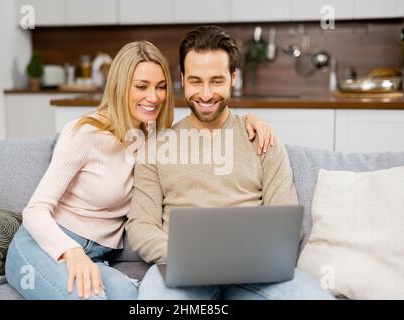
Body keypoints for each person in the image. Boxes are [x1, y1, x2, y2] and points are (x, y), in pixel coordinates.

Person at [5, 40, 276, 300]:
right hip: (47, 245)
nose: (153, 97)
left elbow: (213, 120)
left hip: (98, 255)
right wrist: (70, 252)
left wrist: (249, 120)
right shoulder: (85, 133)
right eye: (141, 86)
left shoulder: (153, 139)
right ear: (121, 87)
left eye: (160, 87)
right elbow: (35, 210)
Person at [126, 26, 335, 300]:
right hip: (181, 269)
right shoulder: (156, 147)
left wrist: (247, 256)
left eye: (216, 81)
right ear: (183, 79)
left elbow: (285, 221)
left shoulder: (262, 140)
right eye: (196, 81)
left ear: (233, 78)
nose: (206, 93)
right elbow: (141, 224)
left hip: (254, 271)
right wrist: (189, 255)